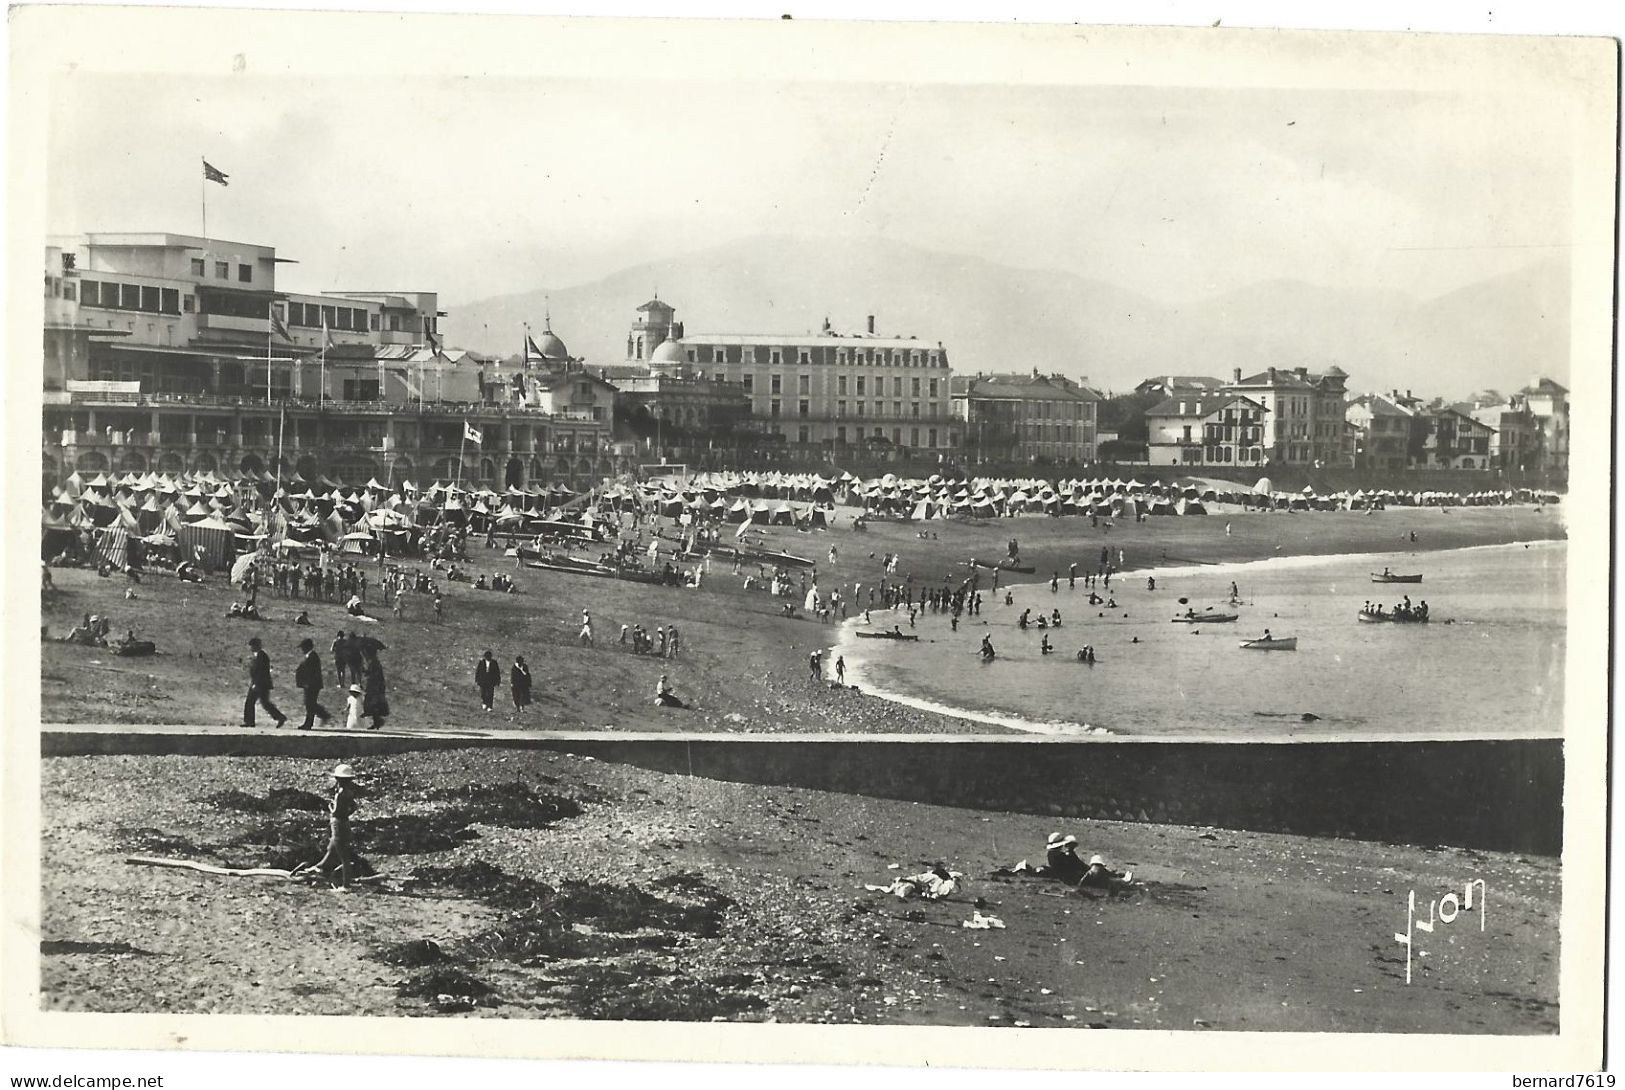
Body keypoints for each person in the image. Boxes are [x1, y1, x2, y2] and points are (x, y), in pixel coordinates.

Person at [305, 763, 364, 887]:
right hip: (344, 822)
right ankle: (319, 867)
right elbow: (354, 807)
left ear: (338, 779)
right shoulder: (348, 792)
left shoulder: (340, 793)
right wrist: (346, 813)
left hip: (338, 823)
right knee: (332, 848)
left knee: (343, 855)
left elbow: (335, 811)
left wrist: (330, 807)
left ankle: (346, 885)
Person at [242, 637, 288, 729]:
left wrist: (255, 683)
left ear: (256, 646)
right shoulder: (258, 656)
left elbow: (261, 671)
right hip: (260, 683)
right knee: (264, 703)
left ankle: (250, 721)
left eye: (252, 646)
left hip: (261, 684)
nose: (251, 648)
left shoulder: (261, 656)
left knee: (252, 702)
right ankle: (279, 717)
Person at [294, 637, 330, 731]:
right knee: (309, 703)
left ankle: (311, 722)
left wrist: (308, 683)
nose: (302, 649)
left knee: (310, 703)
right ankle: (313, 720)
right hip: (309, 684)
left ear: (307, 647)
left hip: (312, 685)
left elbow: (313, 673)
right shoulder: (310, 656)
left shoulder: (313, 657)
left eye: (303, 647)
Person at [362, 647, 388, 730]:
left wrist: (364, 671)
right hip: (375, 686)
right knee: (374, 705)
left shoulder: (374, 663)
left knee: (374, 705)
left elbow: (373, 675)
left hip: (375, 687)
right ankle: (376, 722)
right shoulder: (374, 662)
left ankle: (378, 721)